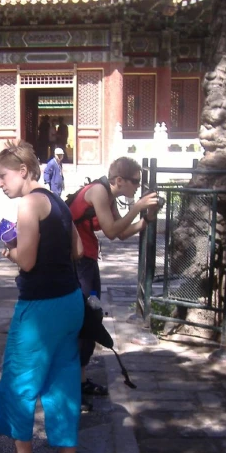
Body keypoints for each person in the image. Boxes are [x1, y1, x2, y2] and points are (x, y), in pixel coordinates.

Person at [0, 142, 85, 453]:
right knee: (63, 382)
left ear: (23, 171)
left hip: (40, 307)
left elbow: (26, 261)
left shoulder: (28, 204)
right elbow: (78, 250)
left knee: (18, 380)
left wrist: (11, 250)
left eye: (2, 175)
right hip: (70, 301)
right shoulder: (58, 201)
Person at [69, 157, 159, 411]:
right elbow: (109, 231)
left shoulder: (108, 195)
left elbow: (121, 233)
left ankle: (82, 380)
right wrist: (137, 206)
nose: (137, 188)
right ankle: (71, 388)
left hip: (87, 259)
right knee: (82, 321)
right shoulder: (98, 191)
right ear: (120, 180)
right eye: (135, 182)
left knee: (92, 318)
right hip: (77, 262)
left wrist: (147, 218)